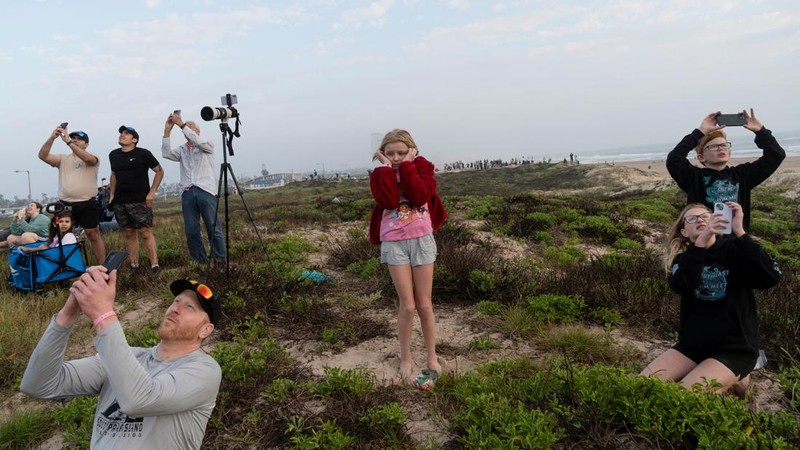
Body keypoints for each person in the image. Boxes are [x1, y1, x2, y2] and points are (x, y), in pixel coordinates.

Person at [20, 271, 222, 449]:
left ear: (206, 330)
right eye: (176, 301)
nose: (175, 309)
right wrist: (68, 314)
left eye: (190, 308)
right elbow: (39, 384)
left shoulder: (205, 371)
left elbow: (139, 400)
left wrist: (103, 315)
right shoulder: (131, 357)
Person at [640, 202, 781, 394]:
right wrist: (699, 246)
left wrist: (740, 232)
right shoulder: (681, 260)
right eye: (692, 218)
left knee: (684, 395)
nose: (700, 220)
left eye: (705, 216)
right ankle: (733, 377)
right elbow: (682, 285)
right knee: (640, 386)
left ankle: (738, 374)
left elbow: (771, 277)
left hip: (735, 348)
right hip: (693, 346)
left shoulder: (735, 251)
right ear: (684, 232)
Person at [369, 129, 447, 389]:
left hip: (422, 240)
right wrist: (385, 170)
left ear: (412, 150)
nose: (396, 158)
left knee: (425, 305)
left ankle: (432, 357)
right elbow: (389, 201)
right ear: (382, 153)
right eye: (390, 153)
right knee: (408, 305)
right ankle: (405, 357)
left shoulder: (423, 167)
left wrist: (410, 166)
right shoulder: (381, 173)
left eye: (401, 152)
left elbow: (419, 196)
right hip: (394, 243)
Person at [666, 109, 785, 231]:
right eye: (713, 146)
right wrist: (700, 132)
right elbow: (674, 159)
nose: (720, 149)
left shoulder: (742, 175)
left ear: (729, 151)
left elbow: (776, 155)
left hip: (736, 241)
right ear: (701, 157)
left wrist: (761, 131)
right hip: (705, 241)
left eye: (724, 145)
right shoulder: (694, 177)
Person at [161, 113, 225, 265]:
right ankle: (200, 262)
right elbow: (166, 153)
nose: (187, 129)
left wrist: (182, 124)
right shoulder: (182, 150)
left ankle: (219, 261)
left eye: (191, 127)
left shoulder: (206, 144)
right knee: (191, 230)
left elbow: (197, 141)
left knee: (213, 228)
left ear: (198, 131)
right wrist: (167, 132)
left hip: (206, 190)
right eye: (186, 128)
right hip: (188, 192)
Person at [38, 126, 107, 263]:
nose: (75, 140)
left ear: (86, 144)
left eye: (79, 139)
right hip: (66, 204)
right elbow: (43, 156)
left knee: (93, 234)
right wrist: (52, 137)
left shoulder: (93, 156)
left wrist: (68, 142)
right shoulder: (63, 159)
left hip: (87, 202)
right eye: (73, 138)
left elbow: (88, 159)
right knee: (62, 234)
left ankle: (103, 266)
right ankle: (67, 265)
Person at [109, 126, 164, 271]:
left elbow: (159, 171)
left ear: (134, 140)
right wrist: (112, 194)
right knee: (128, 233)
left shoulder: (143, 153)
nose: (122, 135)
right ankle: (134, 265)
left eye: (126, 134)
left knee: (145, 232)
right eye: (121, 133)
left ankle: (154, 264)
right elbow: (113, 174)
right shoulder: (113, 154)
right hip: (120, 201)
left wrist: (152, 192)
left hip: (140, 199)